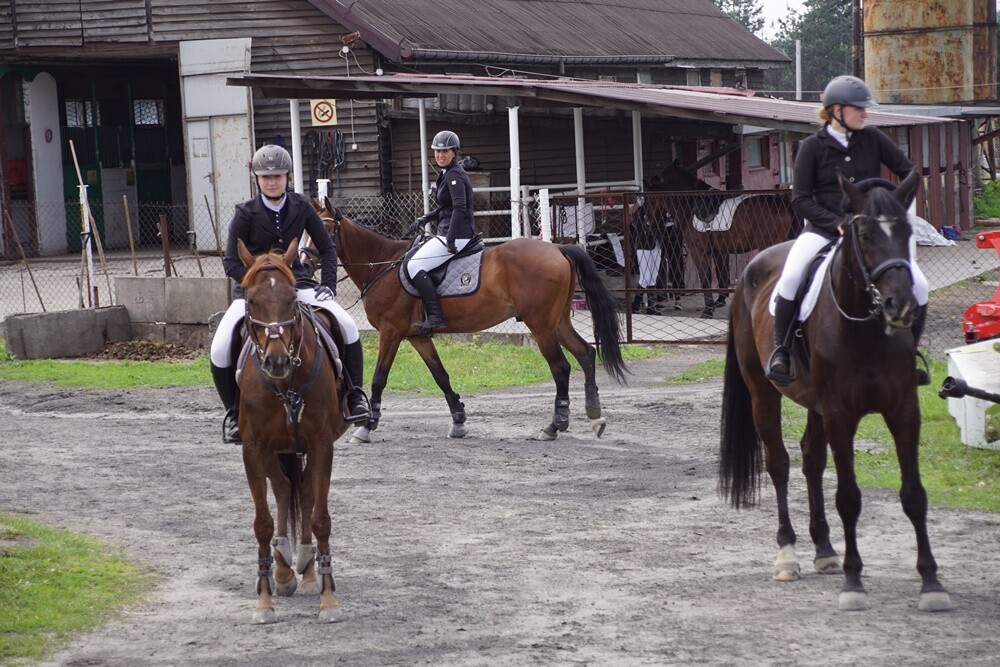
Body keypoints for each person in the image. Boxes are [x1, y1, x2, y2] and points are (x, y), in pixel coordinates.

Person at [767, 75, 930, 386]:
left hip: (870, 234)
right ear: (837, 110)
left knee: (919, 285)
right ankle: (782, 351)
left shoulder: (873, 138)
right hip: (824, 229)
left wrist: (893, 209)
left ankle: (910, 353)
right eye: (860, 109)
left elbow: (910, 172)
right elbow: (800, 200)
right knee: (790, 277)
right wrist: (837, 224)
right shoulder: (811, 148)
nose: (865, 114)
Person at [209, 144, 371, 444]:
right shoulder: (244, 213)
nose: (272, 182)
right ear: (257, 178)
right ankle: (233, 413)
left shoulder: (302, 207)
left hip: (297, 285)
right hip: (253, 292)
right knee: (220, 345)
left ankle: (354, 396)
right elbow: (231, 261)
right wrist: (257, 283)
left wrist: (329, 286)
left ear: (287, 177)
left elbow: (326, 248)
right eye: (266, 177)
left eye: (278, 176)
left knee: (346, 325)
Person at [406, 130, 476, 335]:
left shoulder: (454, 174)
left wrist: (452, 239)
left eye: (445, 151)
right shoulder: (446, 173)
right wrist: (427, 217)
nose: (440, 155)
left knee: (414, 265)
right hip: (447, 231)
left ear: (454, 152)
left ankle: (435, 316)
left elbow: (459, 208)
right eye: (437, 151)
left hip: (457, 235)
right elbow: (446, 208)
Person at [629, 195, 662, 314]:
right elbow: (629, 213)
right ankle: (636, 305)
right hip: (643, 245)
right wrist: (639, 205)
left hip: (656, 243)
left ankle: (651, 307)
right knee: (646, 277)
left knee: (653, 277)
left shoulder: (659, 211)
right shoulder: (640, 211)